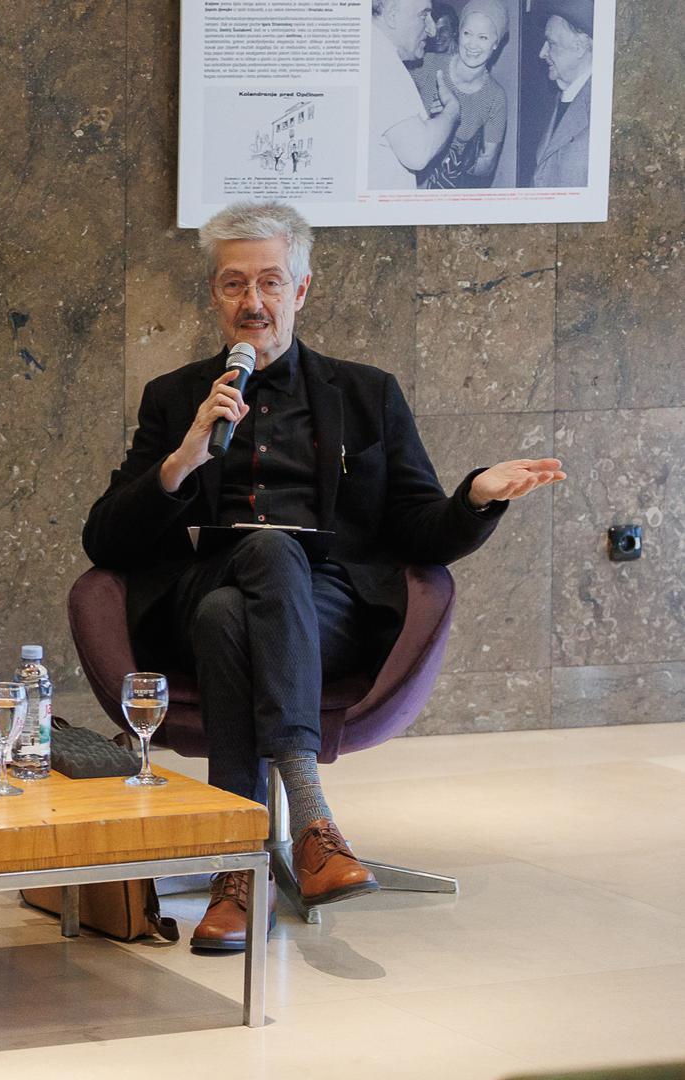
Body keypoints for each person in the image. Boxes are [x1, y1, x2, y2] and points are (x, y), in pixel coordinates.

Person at [82, 201, 564, 952]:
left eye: (270, 282)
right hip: (195, 586)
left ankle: (235, 872)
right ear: (213, 295)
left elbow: (416, 529)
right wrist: (180, 462)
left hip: (327, 605)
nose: (253, 301)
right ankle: (313, 822)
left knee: (230, 615)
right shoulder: (175, 398)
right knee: (250, 571)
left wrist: (474, 497)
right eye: (234, 284)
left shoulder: (367, 394)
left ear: (301, 290)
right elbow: (104, 539)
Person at [368, 0, 461, 188]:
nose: (432, 30)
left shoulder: (368, 50)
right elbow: (418, 152)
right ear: (392, 16)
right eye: (424, 15)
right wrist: (452, 112)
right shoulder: (383, 63)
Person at [418, 0, 510, 188]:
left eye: (483, 37)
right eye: (467, 33)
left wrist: (458, 151)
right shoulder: (426, 64)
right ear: (459, 33)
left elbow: (487, 167)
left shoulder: (495, 97)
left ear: (495, 43)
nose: (472, 45)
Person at [531, 0, 593, 188]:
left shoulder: (601, 107)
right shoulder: (563, 98)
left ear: (580, 47)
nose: (542, 53)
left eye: (551, 43)